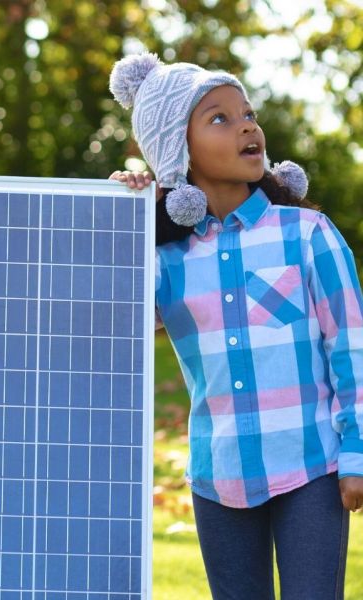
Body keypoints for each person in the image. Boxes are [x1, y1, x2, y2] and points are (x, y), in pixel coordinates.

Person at [108, 53, 363, 599]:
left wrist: (357, 451)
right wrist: (121, 217)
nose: (248, 124)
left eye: (247, 113)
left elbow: (352, 348)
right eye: (219, 117)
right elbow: (107, 319)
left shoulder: (308, 233)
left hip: (310, 471)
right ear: (178, 151)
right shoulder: (166, 261)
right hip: (217, 479)